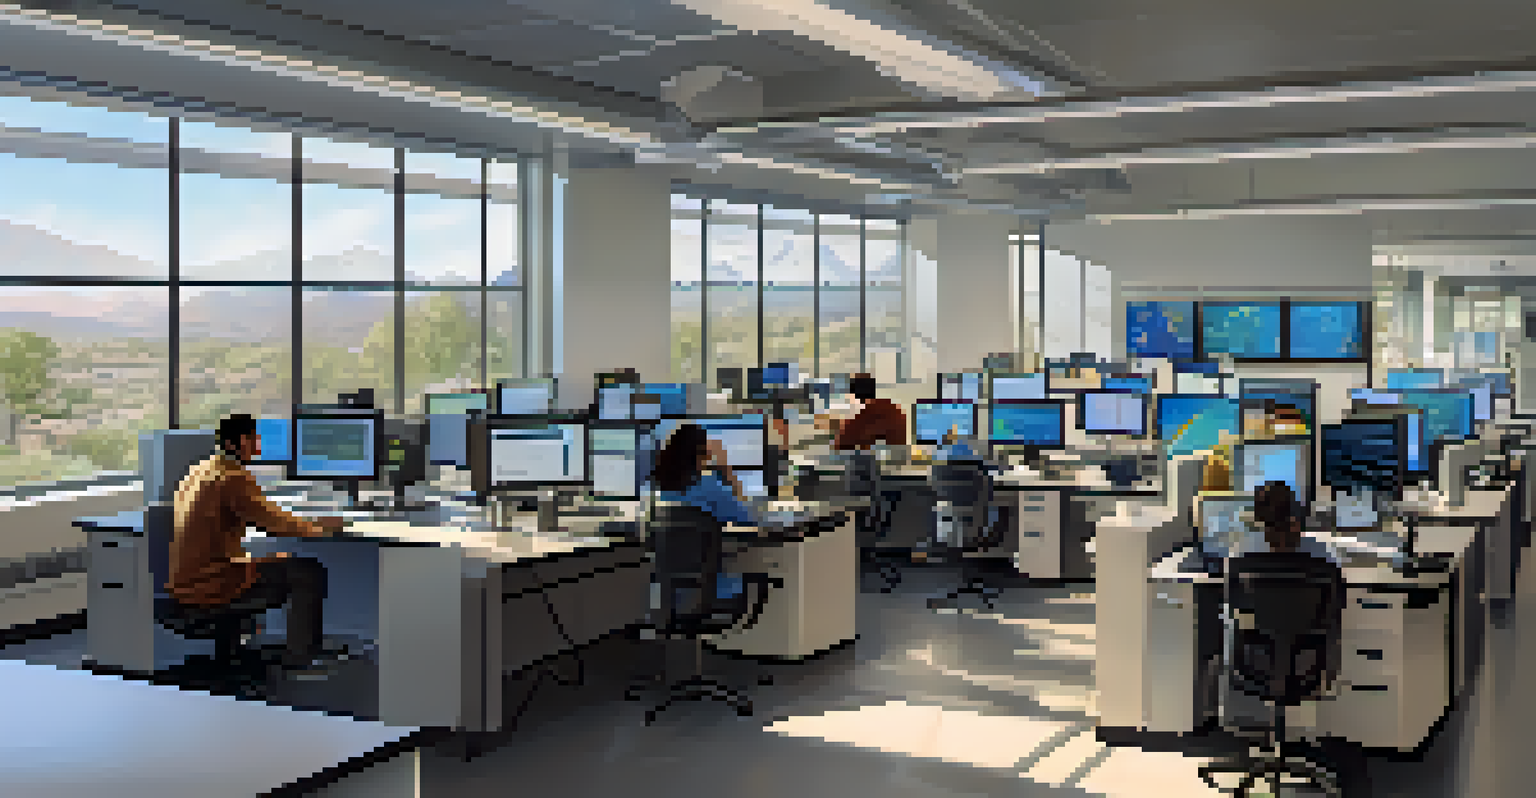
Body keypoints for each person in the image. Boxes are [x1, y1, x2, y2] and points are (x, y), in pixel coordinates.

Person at [167, 413, 346, 678]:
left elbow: (262, 515)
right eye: (252, 439)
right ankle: (300, 660)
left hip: (187, 579)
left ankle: (262, 648)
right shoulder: (233, 478)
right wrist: (319, 527)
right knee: (308, 572)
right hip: (212, 582)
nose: (258, 447)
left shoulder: (202, 469)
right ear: (234, 443)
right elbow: (273, 523)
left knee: (279, 559)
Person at [652, 423, 759, 602]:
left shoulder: (663, 490)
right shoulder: (709, 486)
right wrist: (726, 467)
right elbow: (747, 519)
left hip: (670, 593)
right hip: (709, 589)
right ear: (702, 454)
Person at [833, 374, 907, 450]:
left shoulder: (867, 414)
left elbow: (841, 443)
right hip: (898, 457)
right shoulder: (894, 409)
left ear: (855, 394)